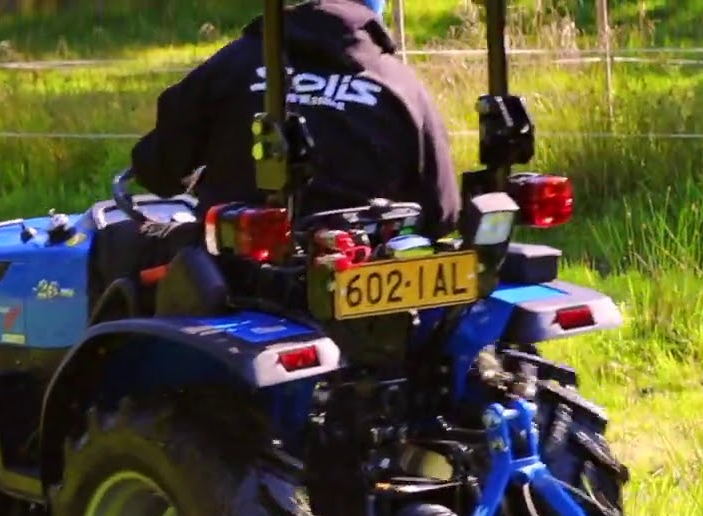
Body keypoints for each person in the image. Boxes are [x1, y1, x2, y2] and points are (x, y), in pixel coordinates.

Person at [91, 0, 462, 310]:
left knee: (114, 244)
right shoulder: (402, 85)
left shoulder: (236, 62)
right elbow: (443, 212)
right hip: (365, 285)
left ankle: (98, 374)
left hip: (237, 278)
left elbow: (158, 170)